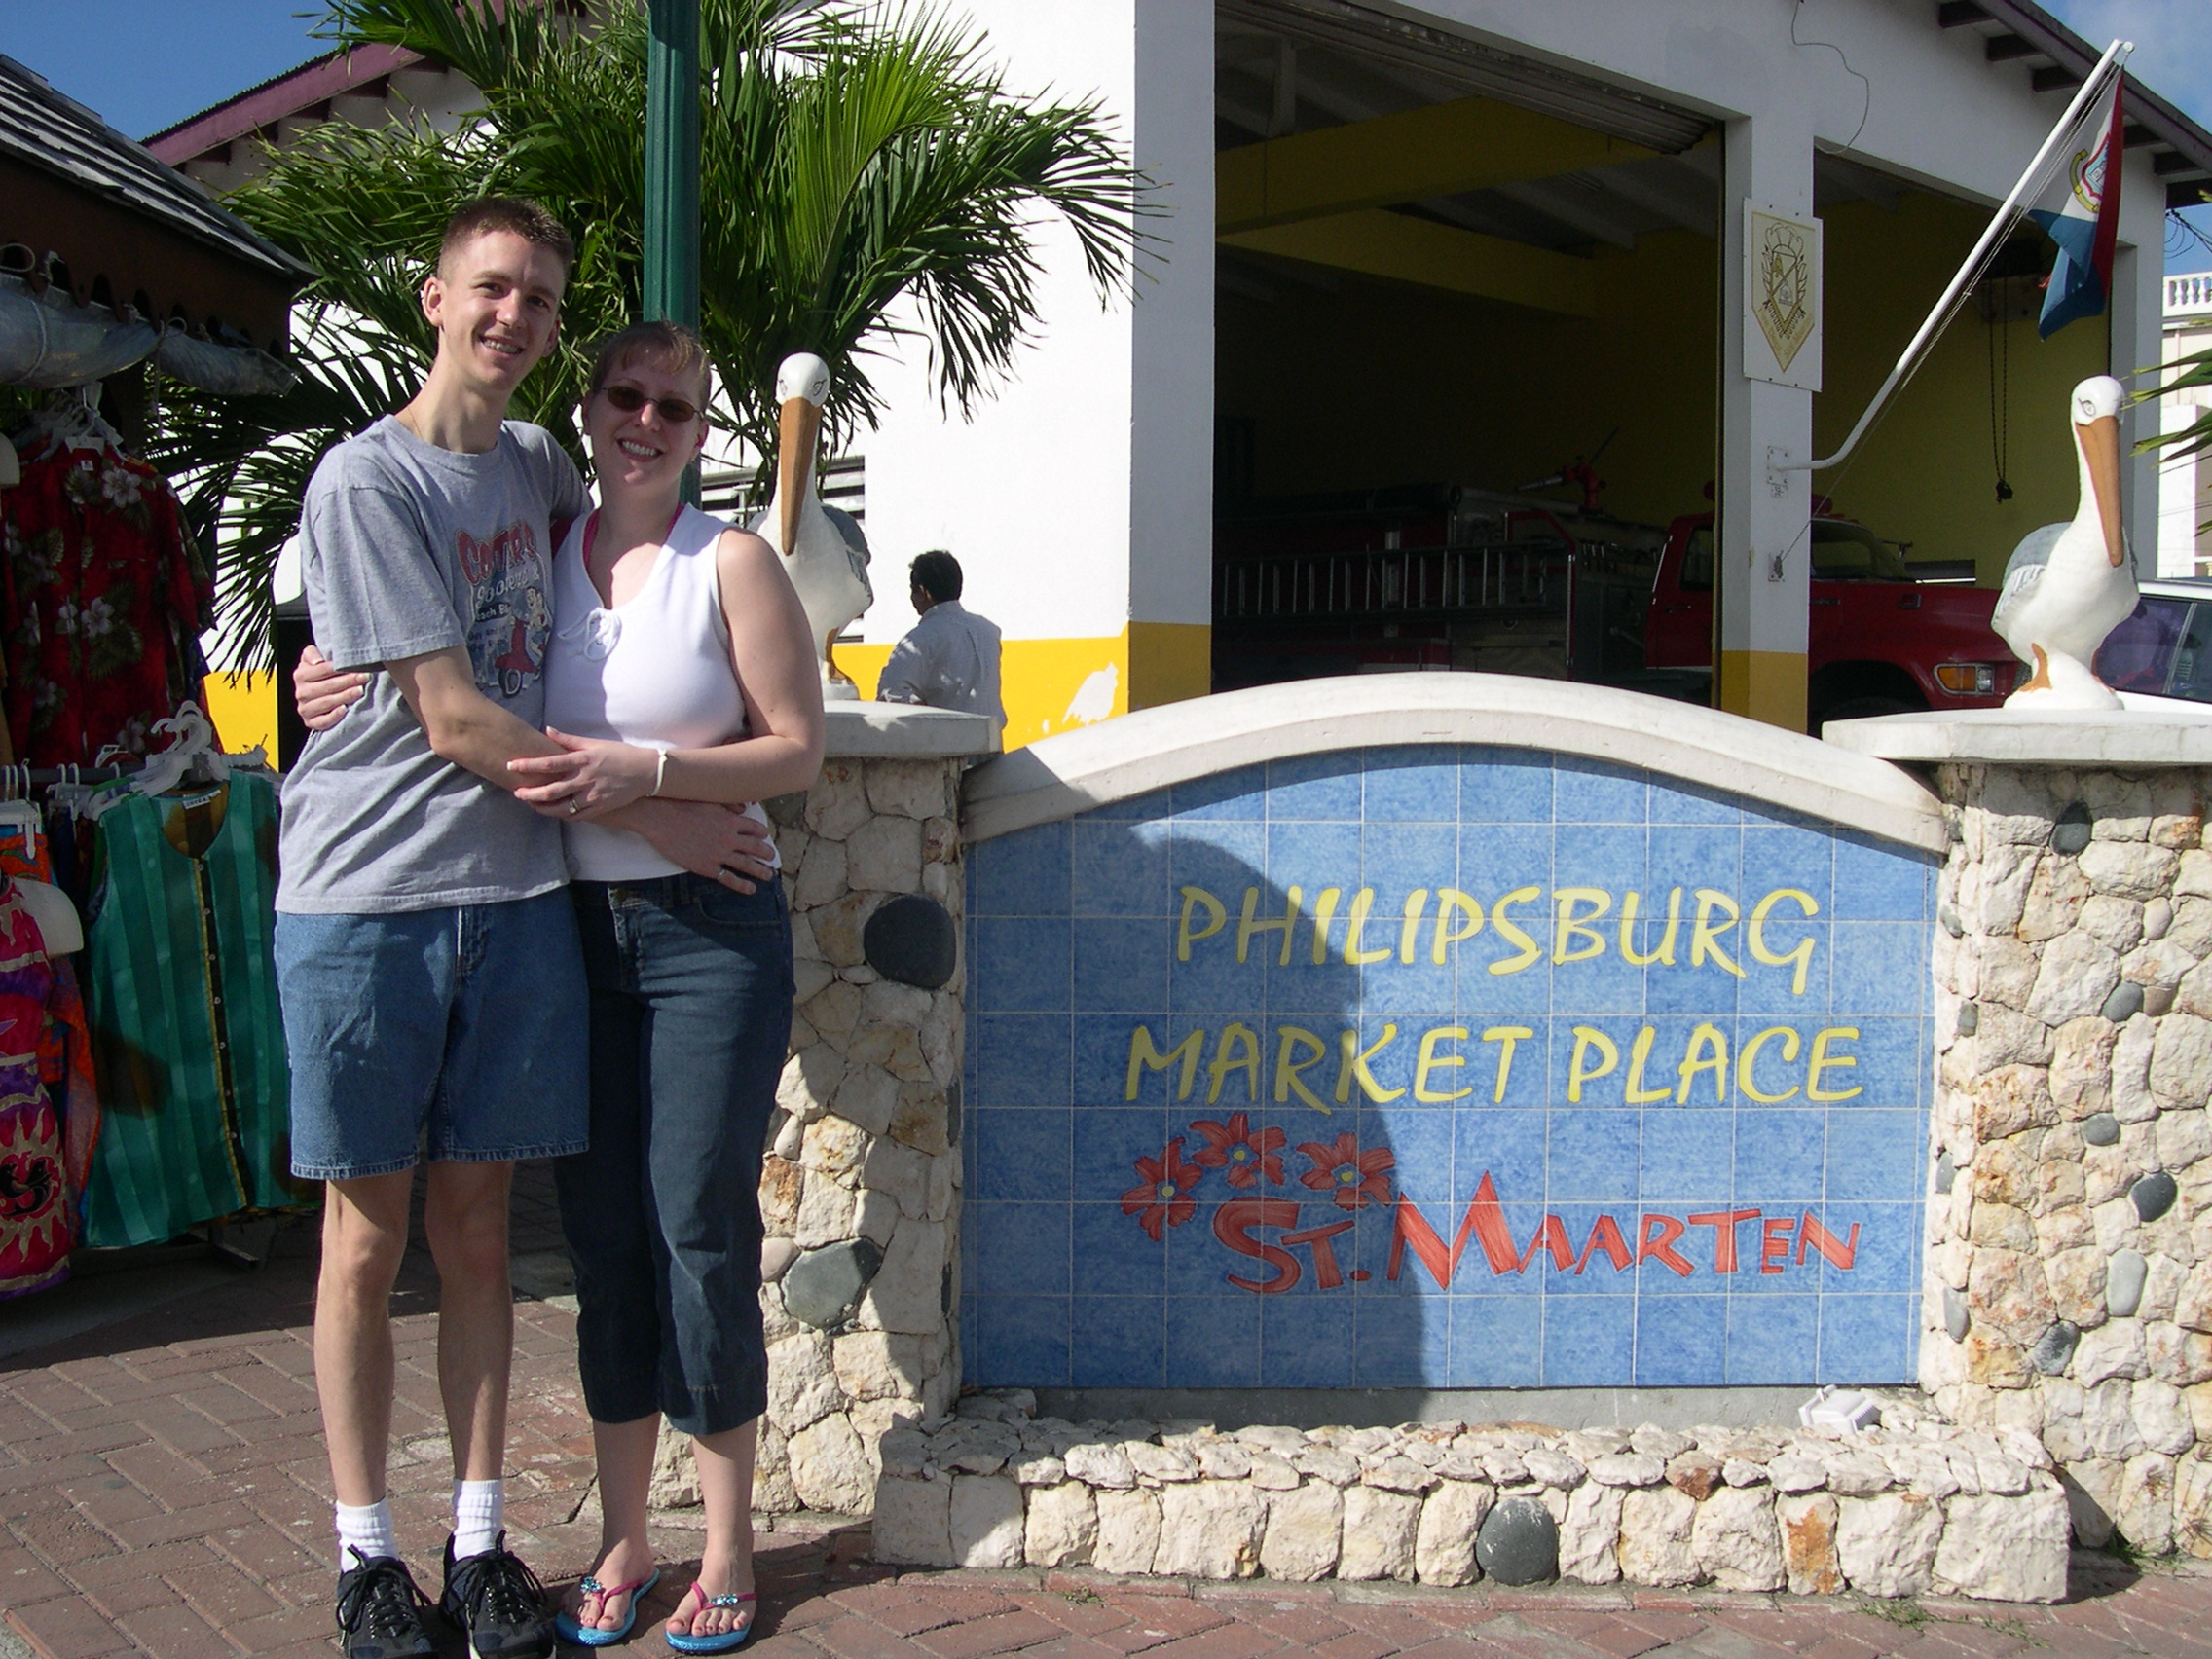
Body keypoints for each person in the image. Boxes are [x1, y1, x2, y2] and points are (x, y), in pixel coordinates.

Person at [278, 201, 775, 1659]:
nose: (513, 316)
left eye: (541, 300)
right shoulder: (366, 483)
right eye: (492, 289)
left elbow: (612, 618)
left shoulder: (545, 465)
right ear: (436, 298)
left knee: (485, 1233)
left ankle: (482, 1542)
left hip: (511, 896)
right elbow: (447, 711)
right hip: (368, 896)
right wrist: (671, 817)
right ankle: (369, 1556)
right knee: (366, 1238)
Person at [873, 549, 1003, 734]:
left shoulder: (920, 639)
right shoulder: (989, 631)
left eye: (913, 590)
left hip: (947, 746)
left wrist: (922, 710)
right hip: (992, 743)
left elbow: (891, 696)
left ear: (922, 592)